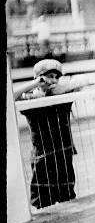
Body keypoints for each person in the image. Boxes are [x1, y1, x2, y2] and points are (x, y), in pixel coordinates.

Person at [14, 59, 87, 209]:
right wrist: (35, 85)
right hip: (42, 156)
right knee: (41, 199)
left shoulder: (62, 96)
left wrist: (62, 87)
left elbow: (83, 80)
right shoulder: (31, 99)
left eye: (56, 77)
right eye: (48, 77)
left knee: (67, 194)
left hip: (63, 153)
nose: (52, 81)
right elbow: (11, 95)